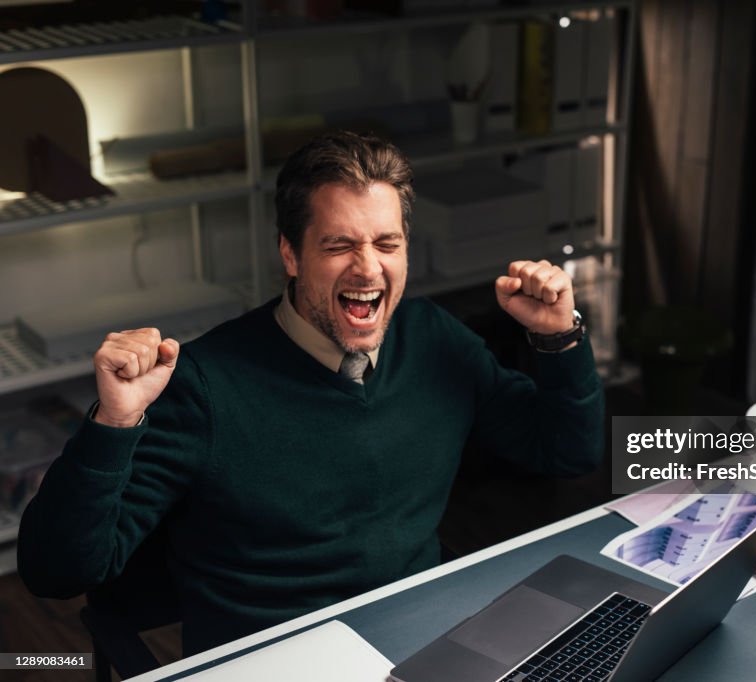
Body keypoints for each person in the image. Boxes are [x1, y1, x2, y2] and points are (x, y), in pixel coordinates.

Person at [18, 130, 604, 655]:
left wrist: (558, 339)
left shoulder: (434, 338)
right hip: (274, 660)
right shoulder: (202, 385)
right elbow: (56, 572)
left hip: (422, 636)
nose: (368, 269)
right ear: (291, 254)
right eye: (339, 245)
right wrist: (112, 423)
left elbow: (567, 452)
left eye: (387, 243)